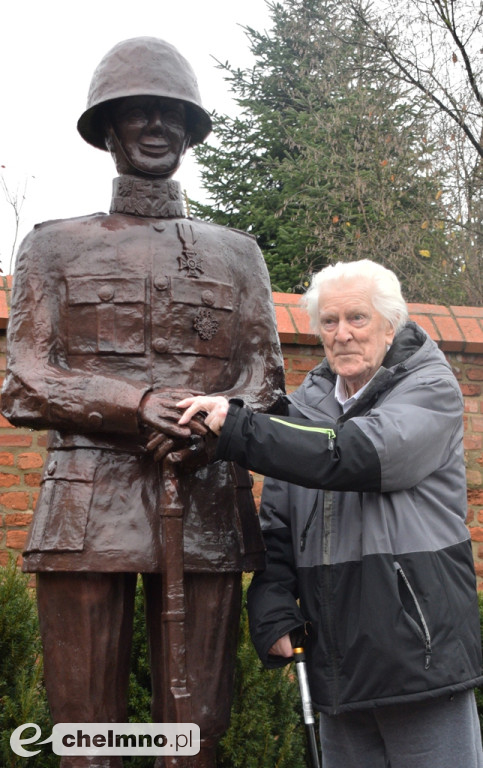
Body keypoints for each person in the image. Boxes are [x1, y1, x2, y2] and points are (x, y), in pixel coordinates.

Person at [1, 37, 284, 768]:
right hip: (86, 502)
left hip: (206, 496)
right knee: (87, 739)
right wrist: (138, 403)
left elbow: (264, 379)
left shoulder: (237, 254)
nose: (157, 126)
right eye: (137, 113)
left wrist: (209, 426)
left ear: (191, 132)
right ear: (108, 129)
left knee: (196, 737)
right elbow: (24, 379)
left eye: (172, 114)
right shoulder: (53, 248)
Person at [177, 259, 483, 768]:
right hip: (335, 661)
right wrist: (273, 606)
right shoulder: (303, 410)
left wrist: (239, 428)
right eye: (329, 321)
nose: (342, 334)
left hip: (419, 659)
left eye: (357, 318)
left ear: (391, 325)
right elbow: (277, 527)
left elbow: (353, 454)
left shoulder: (430, 389)